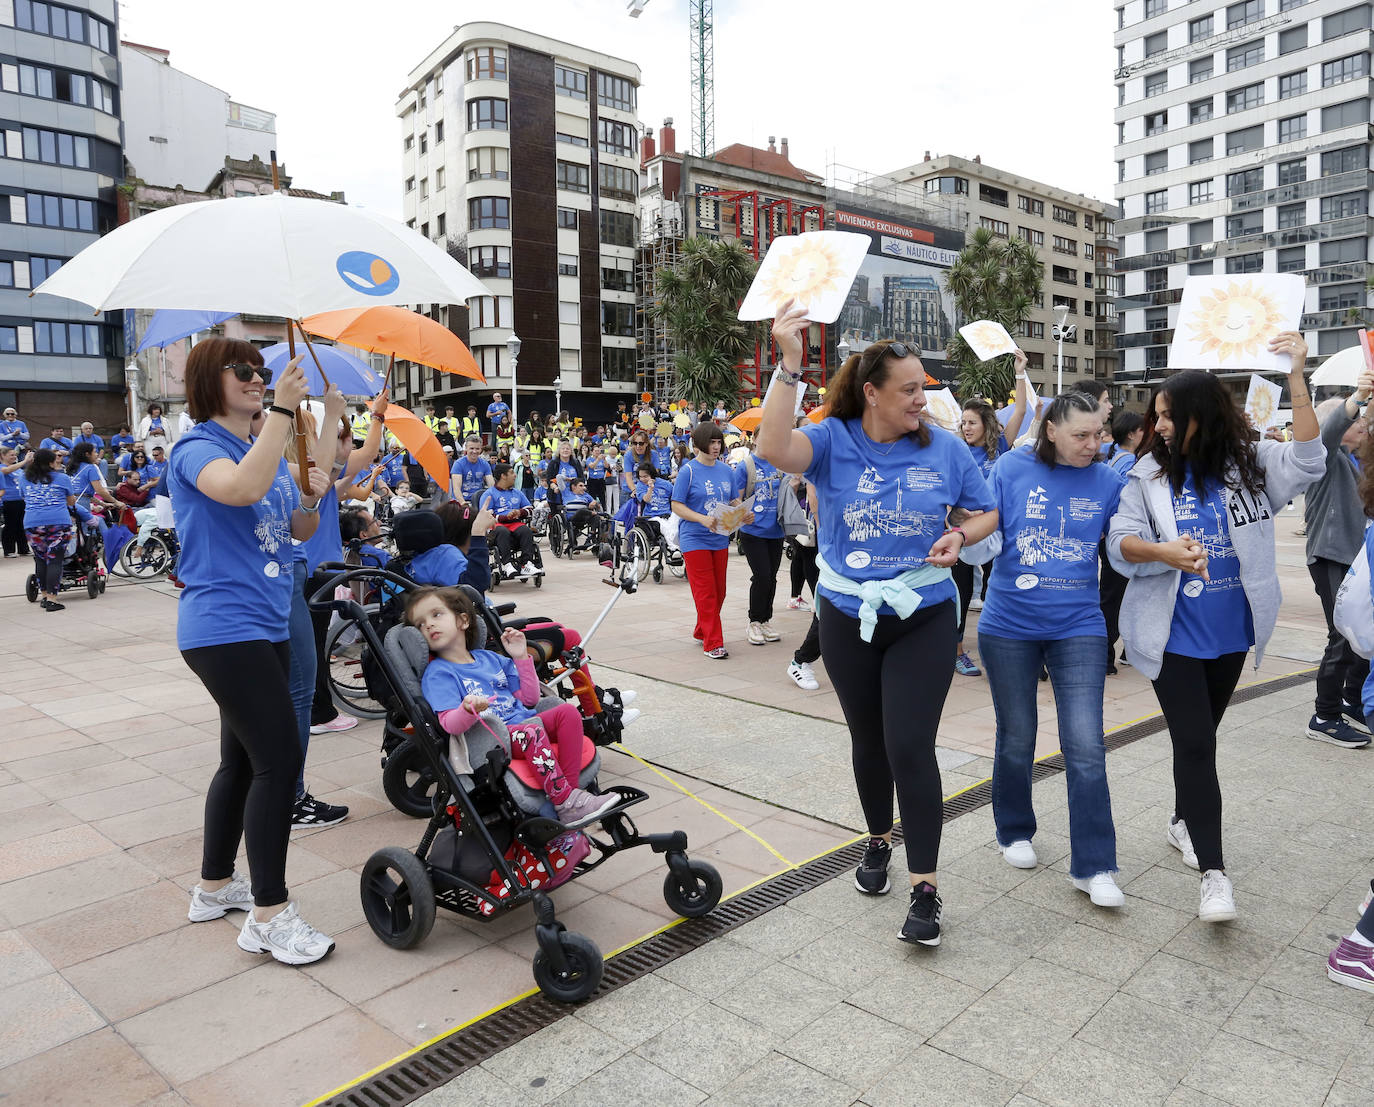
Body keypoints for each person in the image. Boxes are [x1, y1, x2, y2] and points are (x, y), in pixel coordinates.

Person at [757, 304, 998, 946]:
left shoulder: (945, 448)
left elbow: (985, 513)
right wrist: (787, 364)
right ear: (871, 393)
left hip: (922, 610)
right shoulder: (832, 440)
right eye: (910, 389)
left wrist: (958, 534)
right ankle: (877, 841)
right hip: (844, 610)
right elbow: (772, 447)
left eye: (925, 387)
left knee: (910, 745)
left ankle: (926, 888)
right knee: (868, 738)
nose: (924, 399)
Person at [1107, 333, 1325, 924]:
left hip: (1234, 635)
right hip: (1169, 635)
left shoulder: (1251, 465)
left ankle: (1182, 820)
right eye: (1158, 418)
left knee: (1198, 741)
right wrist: (1162, 551)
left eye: (1172, 417)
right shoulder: (1147, 474)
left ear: (1202, 416)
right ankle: (1214, 874)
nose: (1164, 427)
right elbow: (1118, 542)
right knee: (1197, 745)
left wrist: (1298, 377)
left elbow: (1310, 458)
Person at [168, 339, 336, 964]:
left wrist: (315, 487)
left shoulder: (252, 446)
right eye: (242, 371)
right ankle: (269, 912)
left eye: (260, 372)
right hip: (222, 626)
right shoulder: (198, 449)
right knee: (279, 762)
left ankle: (214, 889)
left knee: (240, 763)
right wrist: (289, 416)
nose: (256, 379)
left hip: (259, 625)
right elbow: (238, 491)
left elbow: (299, 528)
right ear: (211, 381)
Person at [968, 391, 1127, 907]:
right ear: (1051, 429)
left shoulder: (1109, 479)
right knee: (1017, 735)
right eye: (1081, 435)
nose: (1092, 444)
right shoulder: (1011, 468)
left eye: (1098, 434)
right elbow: (985, 532)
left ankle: (1095, 865)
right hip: (1008, 623)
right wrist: (958, 535)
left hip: (1079, 625)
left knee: (1085, 744)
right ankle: (1013, 829)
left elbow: (1124, 543)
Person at [1300, 373, 1374, 748]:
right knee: (1342, 634)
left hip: (1358, 558)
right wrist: (1357, 397)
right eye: (1356, 419)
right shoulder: (1324, 458)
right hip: (1331, 556)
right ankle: (1324, 715)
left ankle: (1352, 698)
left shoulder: (1357, 459)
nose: (1362, 422)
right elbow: (1326, 431)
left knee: (1364, 633)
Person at [952, 365, 1031, 676]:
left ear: (985, 424)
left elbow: (1021, 409)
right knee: (958, 594)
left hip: (997, 534)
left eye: (972, 422)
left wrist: (1020, 374)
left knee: (993, 591)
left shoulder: (1000, 447)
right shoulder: (956, 451)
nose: (966, 427)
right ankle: (957, 652)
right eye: (963, 422)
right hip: (962, 531)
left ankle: (996, 649)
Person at [672, 422, 747, 659]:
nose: (716, 447)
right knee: (706, 593)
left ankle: (701, 630)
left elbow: (734, 499)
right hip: (694, 538)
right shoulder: (688, 471)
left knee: (720, 591)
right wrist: (701, 519)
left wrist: (744, 512)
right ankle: (713, 643)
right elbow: (676, 505)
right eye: (711, 442)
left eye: (718, 442)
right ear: (700, 444)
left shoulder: (726, 470)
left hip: (720, 538)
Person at [1101, 410, 1147, 673]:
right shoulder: (1129, 462)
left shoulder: (1115, 456)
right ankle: (1105, 656)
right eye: (1143, 430)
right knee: (1114, 599)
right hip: (1120, 541)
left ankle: (1122, 652)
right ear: (1132, 433)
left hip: (1110, 538)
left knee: (1112, 596)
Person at [732, 445, 785, 646]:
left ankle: (765, 620)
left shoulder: (780, 463)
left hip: (776, 530)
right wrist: (742, 511)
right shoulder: (746, 466)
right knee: (762, 576)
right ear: (755, 439)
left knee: (771, 577)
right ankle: (754, 621)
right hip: (753, 531)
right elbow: (736, 497)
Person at [18, 448, 79, 610]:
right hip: (58, 522)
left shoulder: (24, 478)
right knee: (54, 559)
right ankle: (52, 599)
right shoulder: (62, 478)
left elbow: (24, 497)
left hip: (32, 523)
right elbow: (71, 501)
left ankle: (44, 595)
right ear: (52, 462)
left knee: (40, 558)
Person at [480, 462, 540, 579]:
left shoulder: (517, 492)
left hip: (514, 524)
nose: (515, 475)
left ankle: (526, 564)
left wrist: (519, 512)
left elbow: (529, 509)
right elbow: (485, 515)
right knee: (502, 531)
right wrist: (505, 517)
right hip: (496, 527)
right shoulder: (489, 493)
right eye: (512, 473)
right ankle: (507, 564)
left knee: (525, 530)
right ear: (503, 476)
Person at [1, 446, 29, 557]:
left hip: (21, 500)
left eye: (15, 455)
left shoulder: (18, 469)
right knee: (10, 525)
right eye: (11, 455)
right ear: (3, 456)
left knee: (21, 525)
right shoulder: (2, 467)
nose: (14, 457)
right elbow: (6, 471)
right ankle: (9, 550)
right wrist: (25, 461)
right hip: (8, 500)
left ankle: (23, 549)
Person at [450, 436, 493, 506]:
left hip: (478, 500)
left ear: (481, 449)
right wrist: (463, 503)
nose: (474, 451)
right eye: (471, 448)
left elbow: (491, 485)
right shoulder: (458, 464)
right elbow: (456, 488)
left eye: (477, 449)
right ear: (466, 448)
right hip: (461, 501)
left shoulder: (485, 464)